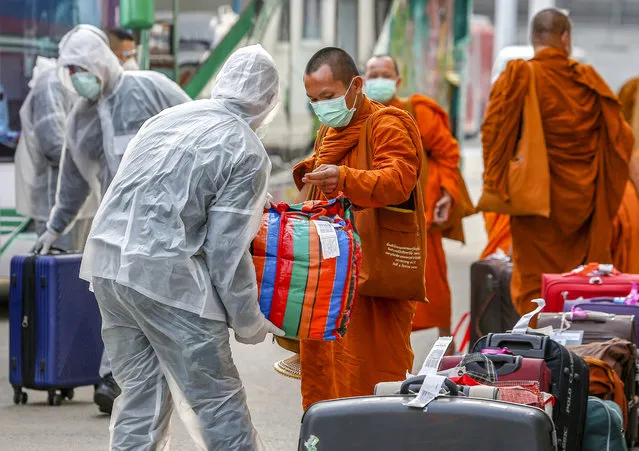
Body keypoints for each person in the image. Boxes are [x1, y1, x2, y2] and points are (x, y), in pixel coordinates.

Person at [79, 44, 281, 450]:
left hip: (107, 262)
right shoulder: (245, 149)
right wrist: (248, 320)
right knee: (218, 401)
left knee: (141, 395)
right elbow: (227, 249)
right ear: (269, 100)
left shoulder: (169, 117)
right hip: (167, 278)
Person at [35, 24, 190, 414]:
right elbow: (73, 181)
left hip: (164, 222)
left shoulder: (150, 88)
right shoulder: (79, 120)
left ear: (99, 62)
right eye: (69, 71)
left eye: (80, 68)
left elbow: (198, 128)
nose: (75, 79)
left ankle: (161, 377)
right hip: (115, 228)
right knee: (118, 307)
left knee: (164, 303)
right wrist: (55, 226)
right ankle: (115, 378)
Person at [293, 47, 426, 410]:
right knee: (325, 370)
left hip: (375, 274)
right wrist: (312, 171)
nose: (321, 106)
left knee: (375, 374)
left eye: (328, 97)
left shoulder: (388, 124)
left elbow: (398, 179)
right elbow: (332, 175)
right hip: (333, 273)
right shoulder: (330, 128)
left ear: (355, 86)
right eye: (313, 100)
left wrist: (344, 177)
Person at [481, 8, 633, 315]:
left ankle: (539, 351)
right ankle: (576, 351)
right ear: (565, 38)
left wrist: (500, 183)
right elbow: (621, 138)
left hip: (534, 206)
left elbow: (493, 135)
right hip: (584, 207)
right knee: (576, 282)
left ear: (534, 38)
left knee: (535, 287)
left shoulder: (518, 76)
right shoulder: (587, 81)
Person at [364, 54, 472, 342]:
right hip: (375, 217)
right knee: (380, 289)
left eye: (385, 74)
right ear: (362, 81)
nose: (378, 81)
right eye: (372, 75)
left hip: (418, 217)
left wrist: (446, 193)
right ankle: (387, 348)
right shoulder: (359, 117)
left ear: (398, 81)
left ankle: (445, 347)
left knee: (434, 291)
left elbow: (448, 153)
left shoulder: (417, 111)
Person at [14, 56, 98, 251]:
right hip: (56, 201)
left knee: (79, 272)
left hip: (82, 203)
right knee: (61, 271)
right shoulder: (51, 85)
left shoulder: (75, 86)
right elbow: (54, 146)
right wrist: (95, 161)